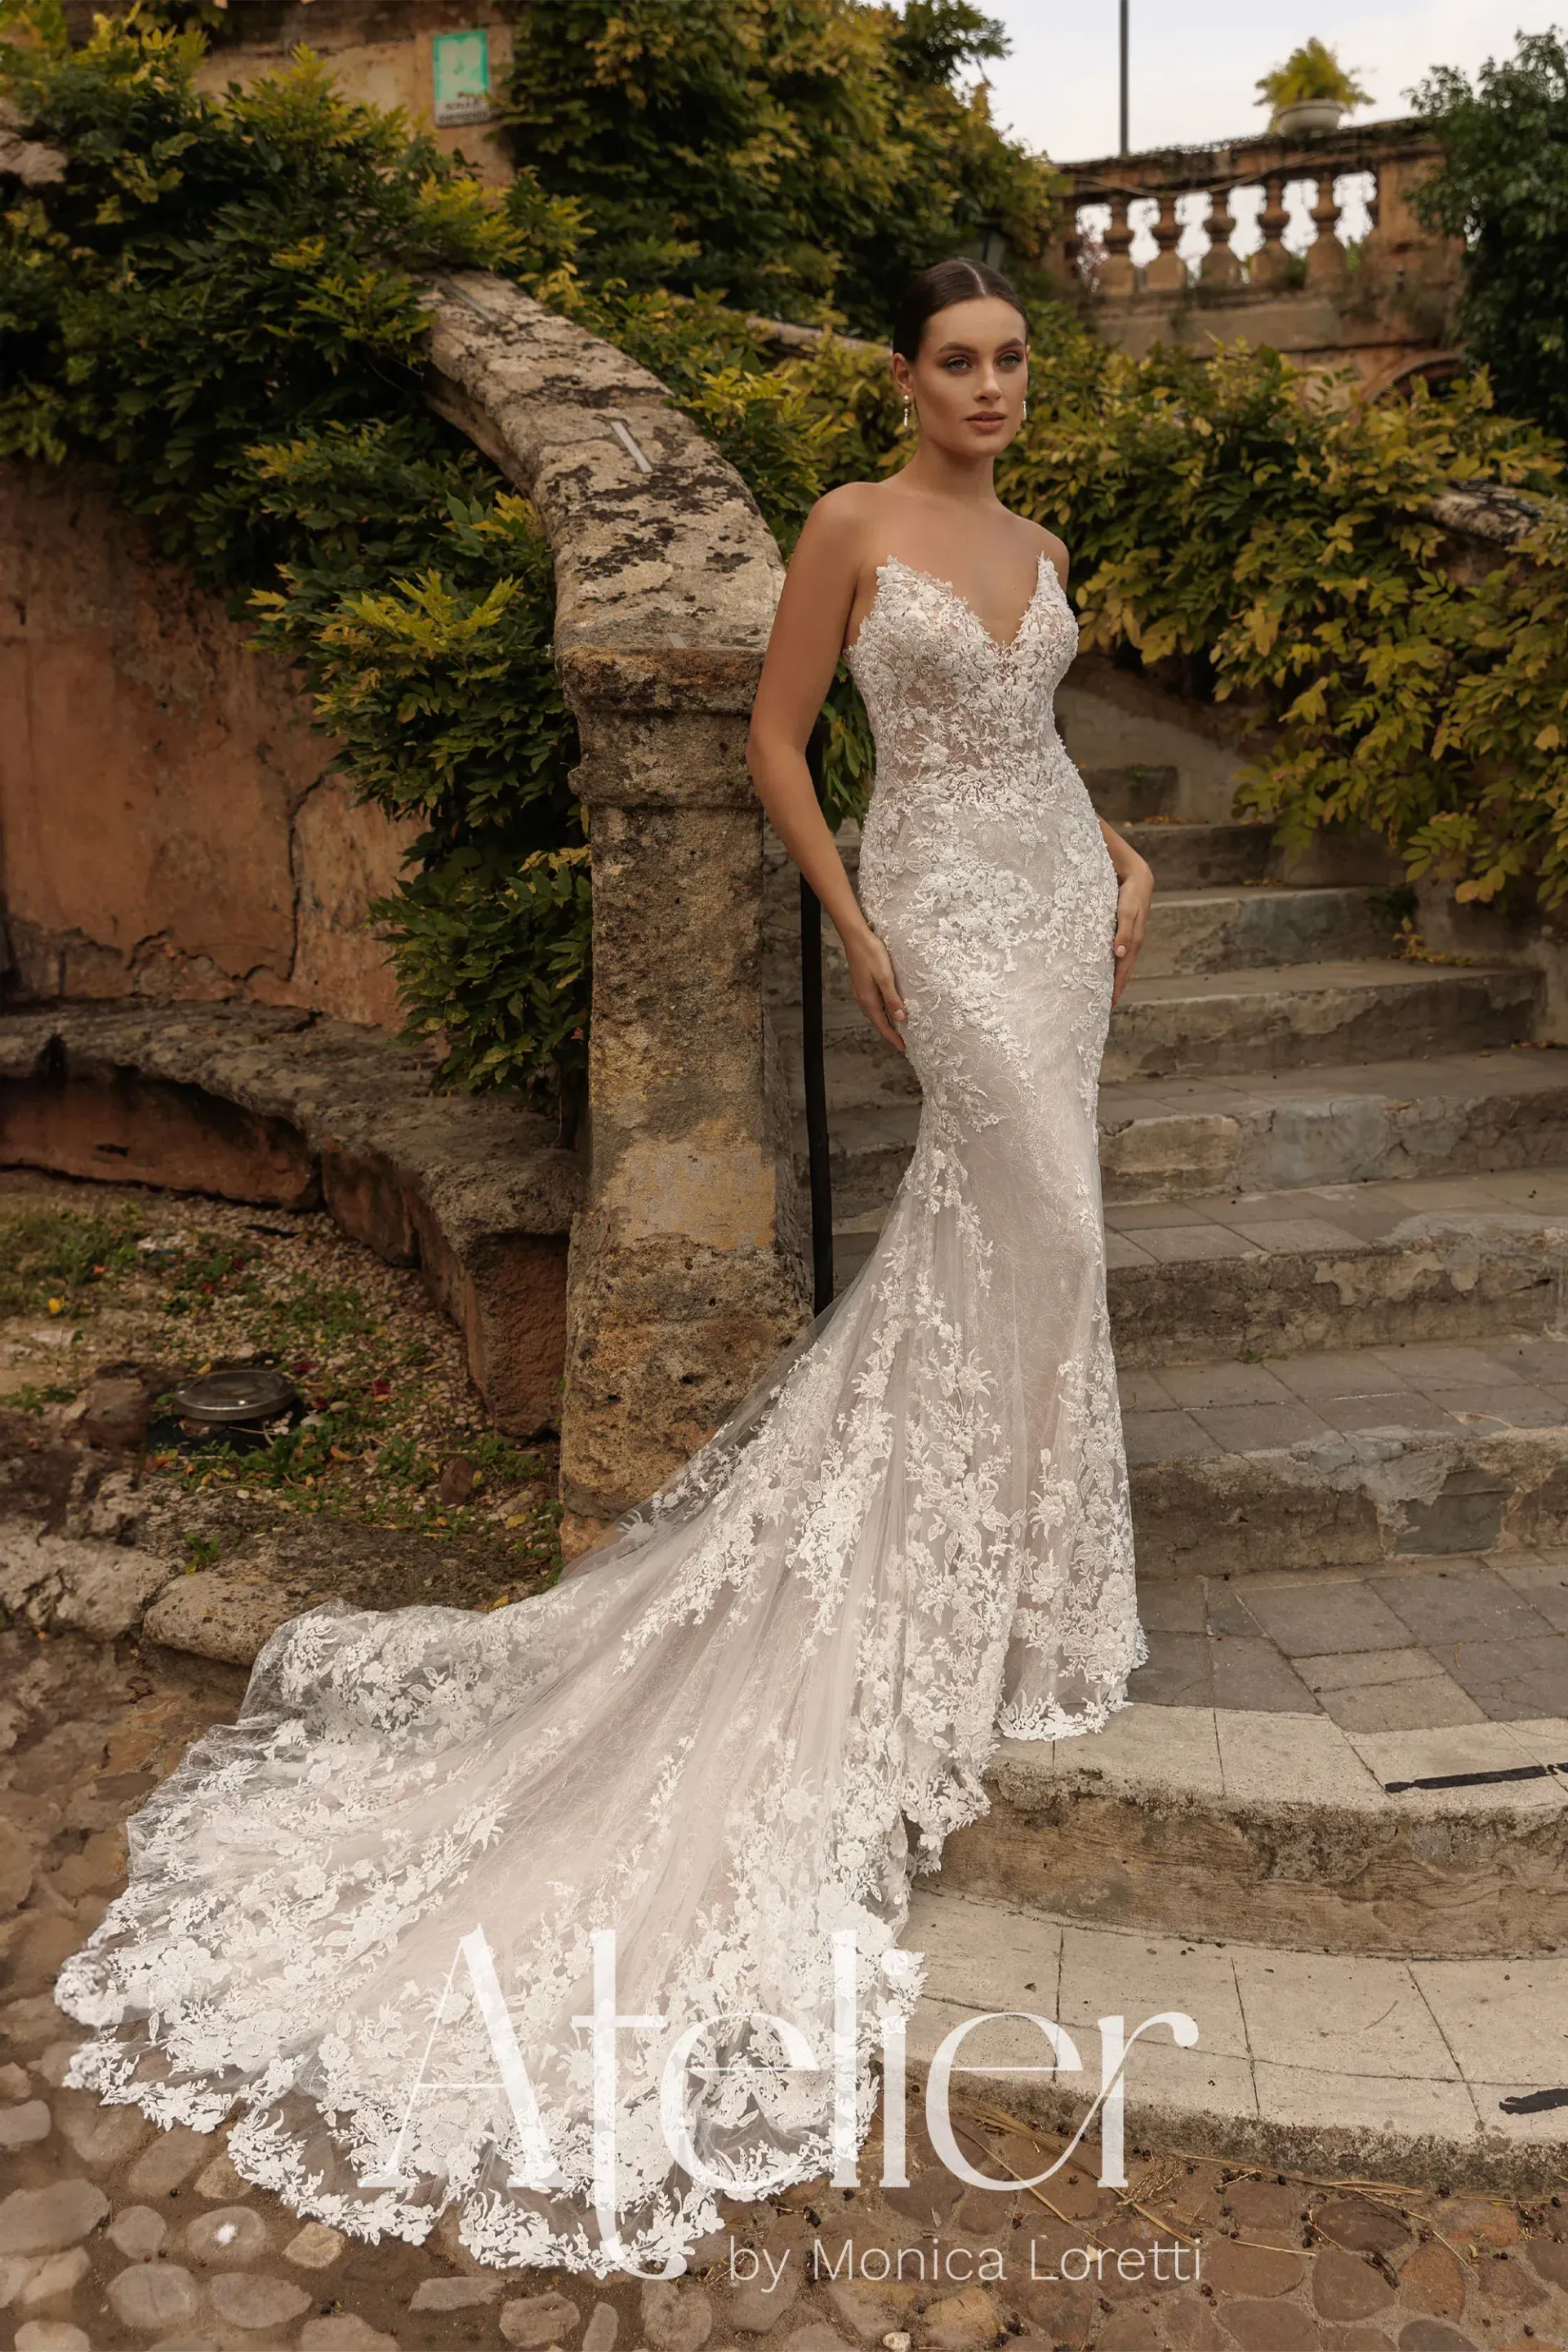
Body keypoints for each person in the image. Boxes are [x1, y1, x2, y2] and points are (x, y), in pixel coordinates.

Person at [52, 256, 1152, 2279]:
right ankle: (911, 1579)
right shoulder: (849, 526)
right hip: (929, 905)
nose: (989, 389)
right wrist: (852, 925)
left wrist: (1122, 854)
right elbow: (772, 733)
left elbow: (1041, 742)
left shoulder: (1040, 539)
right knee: (1043, 1231)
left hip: (1055, 895)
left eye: (1010, 363)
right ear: (907, 377)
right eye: (959, 362)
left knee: (1028, 1254)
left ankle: (1002, 1588)